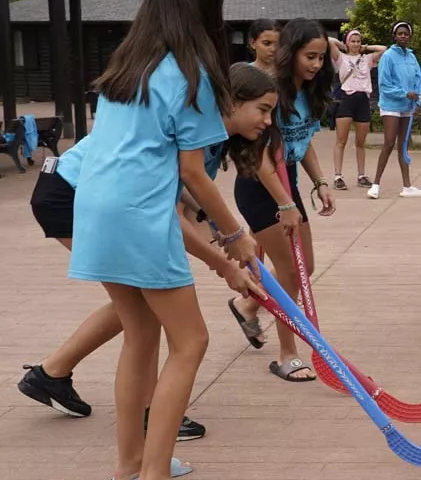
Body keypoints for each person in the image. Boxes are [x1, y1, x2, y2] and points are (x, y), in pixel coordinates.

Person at [64, 0, 260, 480]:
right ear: (206, 11)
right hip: (138, 215)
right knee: (191, 342)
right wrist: (234, 237)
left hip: (96, 208)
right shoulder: (193, 73)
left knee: (140, 334)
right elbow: (194, 174)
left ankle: (131, 465)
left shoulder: (127, 67)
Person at [21, 62, 277, 445]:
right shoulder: (194, 126)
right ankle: (145, 415)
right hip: (70, 194)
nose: (268, 121)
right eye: (263, 109)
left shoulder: (209, 136)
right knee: (146, 307)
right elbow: (169, 219)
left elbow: (180, 205)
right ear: (233, 102)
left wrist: (221, 237)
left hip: (76, 191)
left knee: (140, 306)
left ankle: (55, 375)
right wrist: (224, 261)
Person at [233, 17, 336, 383]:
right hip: (259, 184)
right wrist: (284, 203)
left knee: (304, 264)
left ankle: (248, 303)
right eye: (310, 56)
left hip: (287, 183)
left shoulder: (310, 92)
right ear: (291, 52)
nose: (316, 65)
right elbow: (260, 154)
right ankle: (288, 355)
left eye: (321, 58)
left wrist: (320, 181)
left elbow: (303, 141)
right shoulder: (272, 90)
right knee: (291, 272)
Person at [370, 21, 421, 199]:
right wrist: (405, 94)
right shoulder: (387, 56)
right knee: (389, 142)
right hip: (391, 105)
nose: (403, 36)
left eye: (406, 34)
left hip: (407, 107)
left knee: (404, 145)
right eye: (400, 33)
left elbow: (418, 81)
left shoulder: (412, 57)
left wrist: (418, 98)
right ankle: (375, 185)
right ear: (394, 36)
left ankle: (407, 186)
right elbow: (384, 85)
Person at [329, 30, 386, 191]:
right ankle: (338, 176)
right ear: (347, 42)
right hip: (347, 99)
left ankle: (361, 175)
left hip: (363, 100)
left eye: (358, 41)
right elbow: (327, 40)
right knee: (341, 141)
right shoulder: (341, 58)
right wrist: (340, 45)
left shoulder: (367, 59)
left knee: (360, 142)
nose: (355, 44)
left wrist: (366, 47)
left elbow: (384, 49)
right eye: (352, 41)